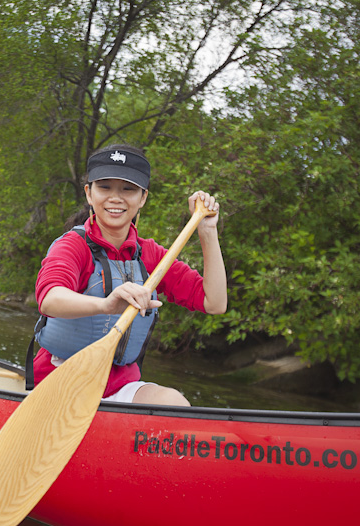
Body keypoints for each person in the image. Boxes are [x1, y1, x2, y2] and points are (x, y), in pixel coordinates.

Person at [30, 144, 226, 406]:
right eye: (105, 187)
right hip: (59, 380)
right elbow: (49, 298)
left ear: (142, 197)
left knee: (174, 403)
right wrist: (105, 304)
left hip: (121, 387)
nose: (115, 197)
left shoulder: (151, 255)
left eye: (128, 189)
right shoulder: (73, 246)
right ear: (89, 193)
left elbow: (214, 302)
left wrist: (207, 231)